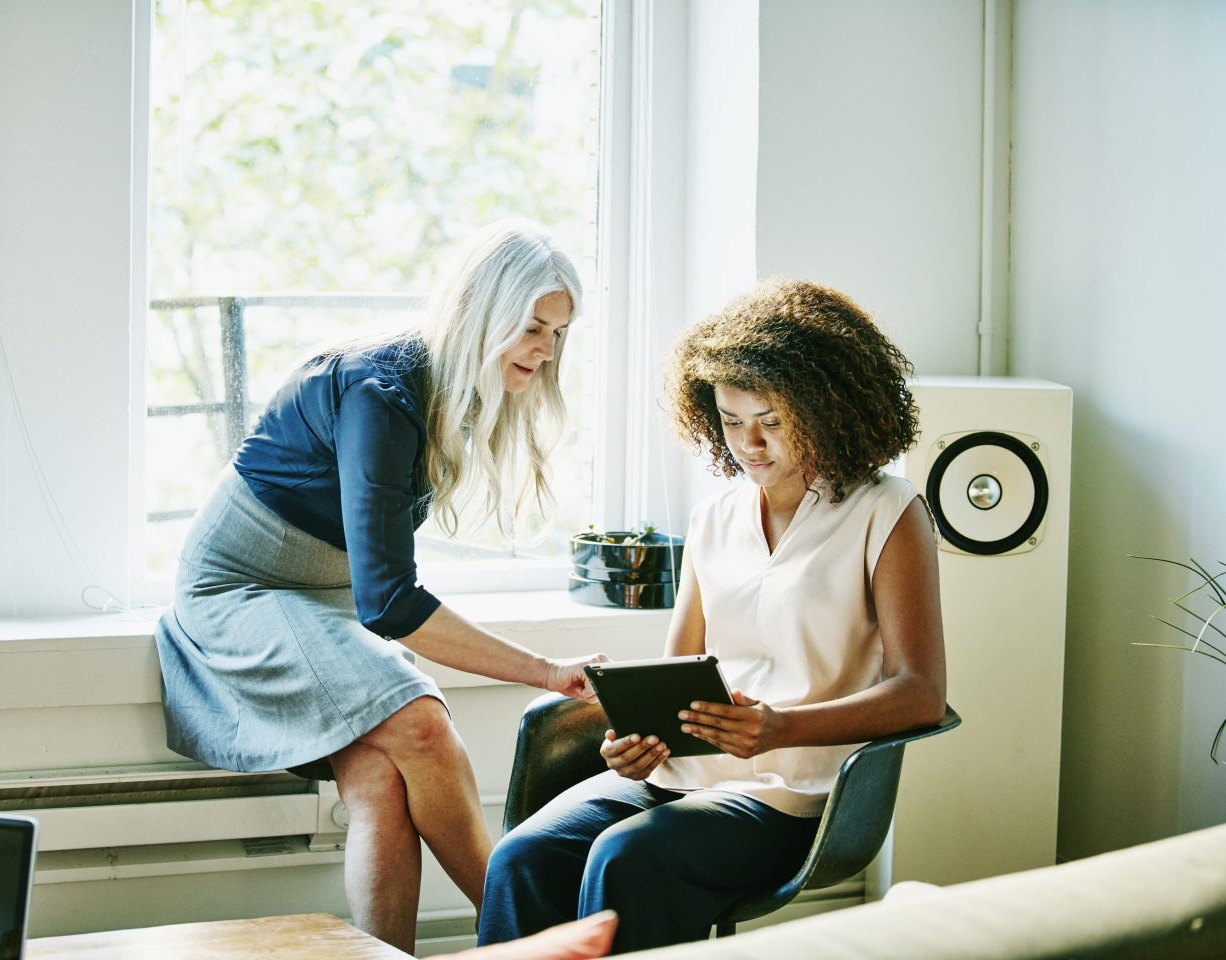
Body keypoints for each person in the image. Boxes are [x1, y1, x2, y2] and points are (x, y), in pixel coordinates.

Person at [153, 219, 603, 953]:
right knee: (421, 722)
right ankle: (537, 938)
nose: (547, 349)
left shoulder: (446, 387)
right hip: (238, 596)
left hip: (317, 601)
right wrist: (548, 672)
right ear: (483, 313)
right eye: (531, 327)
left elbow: (372, 587)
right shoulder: (382, 388)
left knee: (377, 779)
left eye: (559, 332)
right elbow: (390, 602)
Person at [476, 278, 948, 954]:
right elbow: (676, 673)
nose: (749, 443)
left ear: (827, 407)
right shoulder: (715, 517)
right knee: (521, 858)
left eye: (773, 421)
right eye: (730, 421)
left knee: (628, 857)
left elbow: (922, 693)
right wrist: (636, 744)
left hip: (793, 795)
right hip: (683, 779)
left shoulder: (887, 512)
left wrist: (780, 728)